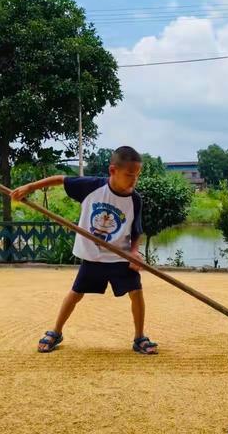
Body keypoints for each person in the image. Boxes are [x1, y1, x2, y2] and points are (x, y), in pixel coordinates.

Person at [11, 146, 158, 355]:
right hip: (93, 256)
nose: (134, 180)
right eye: (129, 175)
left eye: (137, 176)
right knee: (76, 293)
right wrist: (30, 187)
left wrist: (134, 253)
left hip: (120, 257)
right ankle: (56, 332)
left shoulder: (135, 199)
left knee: (136, 292)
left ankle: (139, 337)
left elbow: (136, 231)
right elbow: (61, 179)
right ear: (113, 170)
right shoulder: (91, 187)